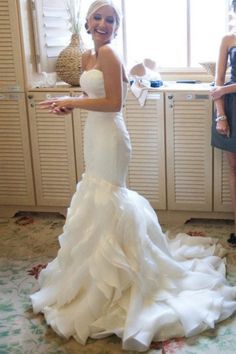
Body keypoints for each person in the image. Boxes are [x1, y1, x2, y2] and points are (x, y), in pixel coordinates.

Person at [31, 1, 236, 352]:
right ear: (87, 22)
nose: (103, 24)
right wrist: (70, 105)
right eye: (98, 17)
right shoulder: (85, 58)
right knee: (95, 194)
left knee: (109, 197)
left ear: (116, 27)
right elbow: (91, 95)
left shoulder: (110, 54)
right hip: (93, 135)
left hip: (112, 137)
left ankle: (126, 276)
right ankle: (94, 275)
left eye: (110, 20)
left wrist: (73, 101)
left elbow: (113, 103)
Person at [211, 0, 236, 247]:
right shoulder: (228, 39)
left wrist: (227, 88)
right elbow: (216, 82)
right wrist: (221, 114)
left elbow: (222, 87)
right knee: (233, 168)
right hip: (231, 108)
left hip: (230, 94)